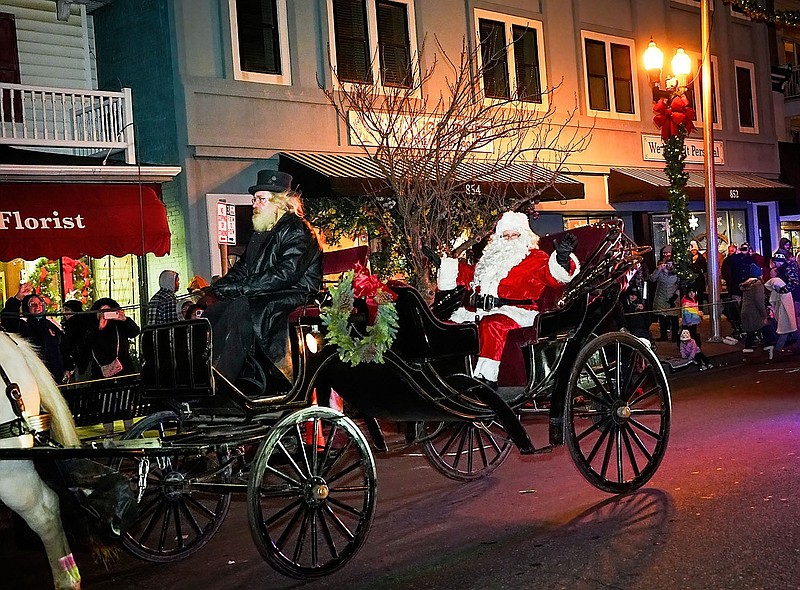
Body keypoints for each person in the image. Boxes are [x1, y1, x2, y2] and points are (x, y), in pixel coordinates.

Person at [206, 169, 323, 386]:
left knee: (243, 309)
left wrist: (240, 289)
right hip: (269, 291)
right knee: (213, 312)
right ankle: (207, 374)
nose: (254, 203)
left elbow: (285, 274)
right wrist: (221, 286)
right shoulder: (263, 232)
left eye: (260, 199)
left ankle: (224, 383)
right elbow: (244, 267)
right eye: (254, 199)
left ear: (279, 203)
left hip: (295, 293)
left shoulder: (297, 230)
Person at [436, 211, 579, 387]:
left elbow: (552, 275)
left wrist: (562, 259)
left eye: (515, 234)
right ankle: (446, 378)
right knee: (449, 327)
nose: (510, 239)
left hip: (516, 312)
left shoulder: (535, 258)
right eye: (505, 235)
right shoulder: (488, 261)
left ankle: (486, 378)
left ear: (525, 235)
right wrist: (444, 265)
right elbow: (468, 275)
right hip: (479, 311)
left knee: (492, 325)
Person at [85, 298, 141, 436]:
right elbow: (86, 344)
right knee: (106, 406)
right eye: (102, 311)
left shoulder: (119, 325)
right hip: (102, 375)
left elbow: (135, 332)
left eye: (109, 311)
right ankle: (108, 434)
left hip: (123, 372)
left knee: (126, 406)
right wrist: (99, 328)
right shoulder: (92, 328)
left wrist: (124, 319)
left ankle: (130, 433)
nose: (106, 314)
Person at [1, 283, 67, 382]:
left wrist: (67, 368)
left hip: (56, 377)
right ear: (26, 307)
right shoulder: (22, 325)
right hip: (34, 378)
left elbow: (63, 347)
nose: (38, 307)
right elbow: (8, 320)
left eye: (40, 304)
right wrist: (18, 298)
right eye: (33, 304)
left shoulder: (51, 325)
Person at [740, 262, 772, 355]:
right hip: (754, 312)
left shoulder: (747, 284)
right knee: (765, 328)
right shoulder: (757, 284)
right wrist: (764, 315)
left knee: (750, 332)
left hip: (746, 311)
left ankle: (748, 350)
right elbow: (759, 301)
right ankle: (769, 349)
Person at [765, 270, 798, 355]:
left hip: (784, 312)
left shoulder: (777, 282)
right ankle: (779, 349)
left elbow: (768, 285)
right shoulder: (781, 286)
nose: (770, 274)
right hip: (784, 312)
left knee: (786, 330)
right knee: (791, 329)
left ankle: (777, 350)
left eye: (772, 272)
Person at [649, 254, 680, 343]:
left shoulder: (676, 274)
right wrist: (658, 269)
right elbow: (652, 279)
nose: (669, 266)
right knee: (662, 317)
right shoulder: (660, 272)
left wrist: (675, 296)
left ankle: (674, 336)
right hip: (661, 297)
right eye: (668, 264)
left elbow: (680, 285)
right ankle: (663, 336)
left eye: (671, 264)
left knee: (674, 318)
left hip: (673, 297)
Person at [61, 299, 93, 382]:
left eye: (67, 310)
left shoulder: (73, 325)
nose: (64, 313)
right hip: (81, 362)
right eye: (64, 310)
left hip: (81, 362)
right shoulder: (82, 322)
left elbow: (69, 345)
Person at [688, 241, 708, 306]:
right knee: (691, 295)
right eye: (692, 250)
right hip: (691, 279)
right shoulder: (688, 259)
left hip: (699, 279)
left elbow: (705, 267)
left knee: (700, 296)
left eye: (694, 250)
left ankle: (700, 308)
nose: (693, 251)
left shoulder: (701, 258)